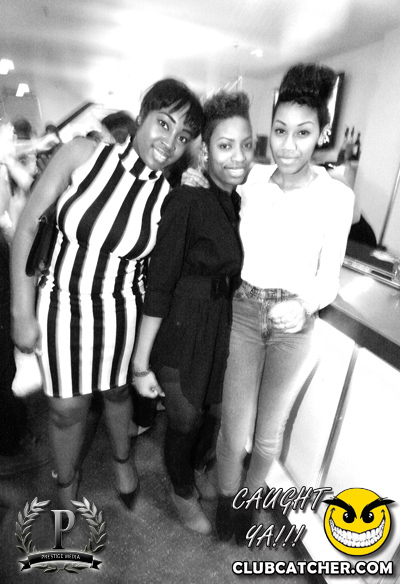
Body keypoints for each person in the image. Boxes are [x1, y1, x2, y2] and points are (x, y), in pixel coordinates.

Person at [10, 78, 204, 512]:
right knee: (66, 409)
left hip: (122, 311)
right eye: (164, 123)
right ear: (142, 116)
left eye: (183, 136)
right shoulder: (82, 154)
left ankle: (122, 457)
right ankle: (66, 483)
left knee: (116, 392)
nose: (170, 142)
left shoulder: (169, 198)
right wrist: (21, 310)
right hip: (60, 304)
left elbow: (171, 270)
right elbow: (27, 227)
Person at [185, 64, 354, 543]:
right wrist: (197, 179)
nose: (288, 145)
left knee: (267, 436)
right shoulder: (252, 181)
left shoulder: (337, 197)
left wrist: (305, 305)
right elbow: (215, 177)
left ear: (321, 136)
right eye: (280, 131)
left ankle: (250, 503)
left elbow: (329, 278)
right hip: (243, 312)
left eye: (303, 133)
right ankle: (227, 508)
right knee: (232, 430)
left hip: (294, 327)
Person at [132, 91, 254, 534]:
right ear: (205, 151)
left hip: (223, 325)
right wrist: (140, 362)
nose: (237, 156)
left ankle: (197, 468)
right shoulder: (186, 199)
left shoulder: (238, 201)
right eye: (225, 145)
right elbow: (160, 282)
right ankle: (181, 491)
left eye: (246, 144)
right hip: (183, 326)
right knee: (186, 418)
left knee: (215, 414)